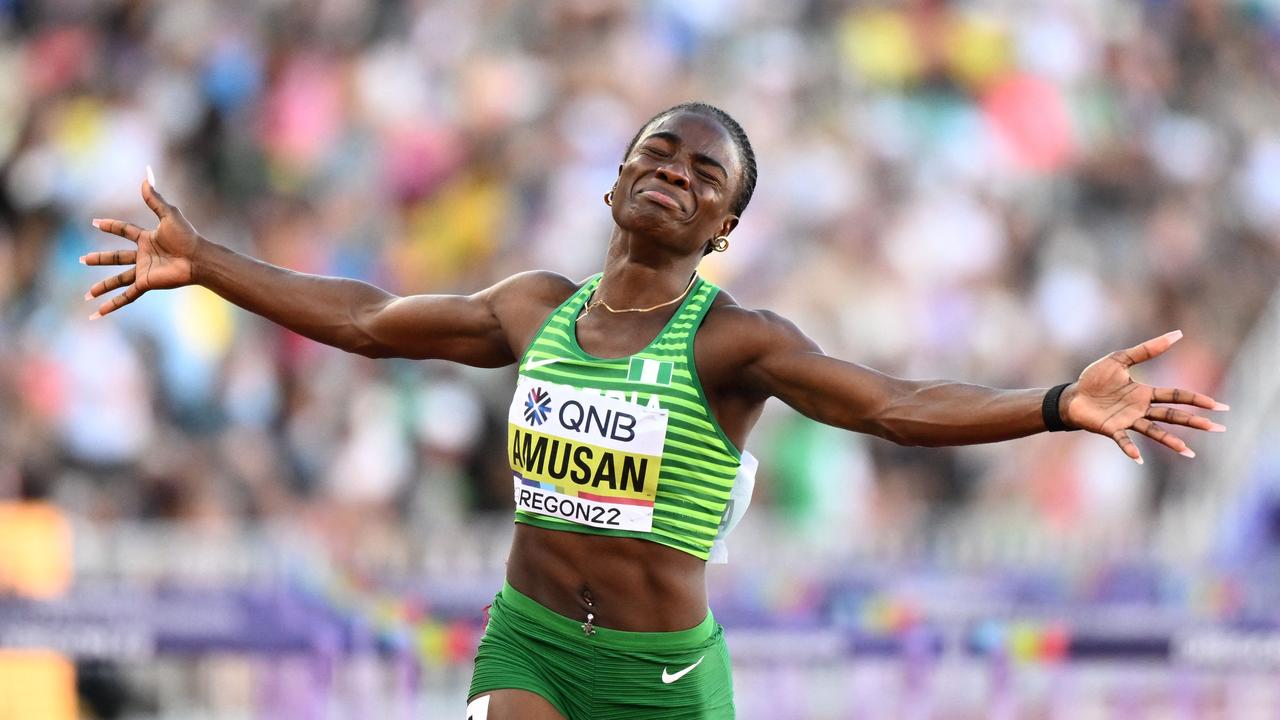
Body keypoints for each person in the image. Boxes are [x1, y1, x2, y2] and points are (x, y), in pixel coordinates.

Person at [83, 102, 1227, 720]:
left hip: (661, 679)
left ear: (723, 230)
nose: (674, 172)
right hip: (528, 639)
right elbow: (368, 317)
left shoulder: (736, 340)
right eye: (657, 152)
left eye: (704, 176)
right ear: (613, 181)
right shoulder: (529, 307)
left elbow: (893, 404)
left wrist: (1049, 404)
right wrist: (211, 261)